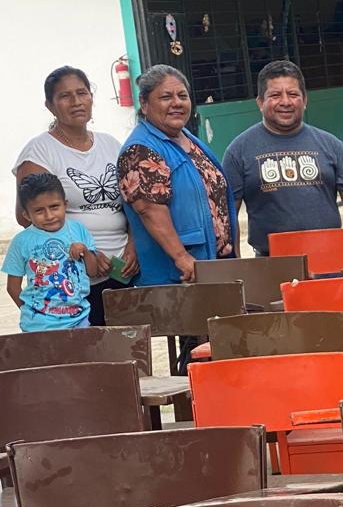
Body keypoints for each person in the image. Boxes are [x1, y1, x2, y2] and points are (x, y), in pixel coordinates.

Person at [14, 65, 138, 325]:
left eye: (82, 93)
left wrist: (132, 246)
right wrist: (88, 253)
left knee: (128, 342)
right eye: (65, 96)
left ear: (91, 97)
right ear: (49, 105)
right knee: (87, 346)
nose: (76, 102)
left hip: (122, 269)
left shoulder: (110, 144)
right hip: (72, 278)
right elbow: (27, 218)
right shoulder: (39, 152)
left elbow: (132, 203)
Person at [222, 59, 343, 256]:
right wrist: (236, 265)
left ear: (305, 100)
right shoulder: (238, 151)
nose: (285, 102)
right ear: (260, 102)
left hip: (329, 259)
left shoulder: (331, 145)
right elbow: (228, 216)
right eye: (275, 95)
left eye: (293, 94)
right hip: (270, 264)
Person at [118, 65, 237, 286]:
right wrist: (181, 257)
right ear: (144, 103)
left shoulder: (187, 138)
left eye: (182, 96)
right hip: (179, 275)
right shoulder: (141, 149)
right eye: (166, 97)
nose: (177, 103)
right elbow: (149, 210)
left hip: (210, 264)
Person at [4, 172, 98, 331]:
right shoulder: (21, 241)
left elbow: (93, 272)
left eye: (54, 207)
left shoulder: (78, 229)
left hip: (79, 320)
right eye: (39, 211)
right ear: (26, 215)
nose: (49, 216)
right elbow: (12, 287)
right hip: (37, 327)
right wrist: (33, 313)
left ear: (65, 204)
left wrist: (85, 251)